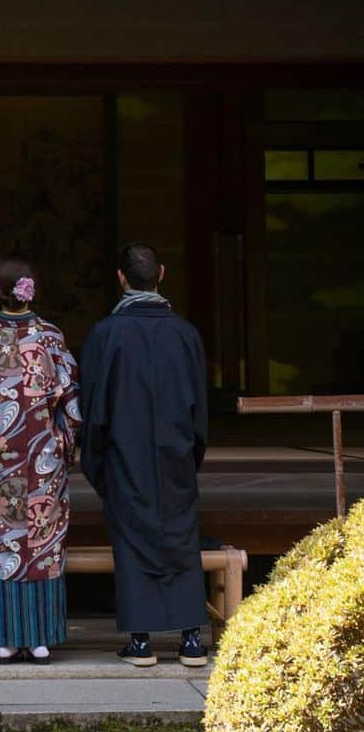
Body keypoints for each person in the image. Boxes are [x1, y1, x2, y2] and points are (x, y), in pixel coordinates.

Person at [80, 243, 209, 668]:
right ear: (162, 274)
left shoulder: (105, 335)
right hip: (176, 450)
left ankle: (140, 642)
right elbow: (200, 408)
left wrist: (96, 462)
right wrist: (192, 453)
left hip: (123, 452)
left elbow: (93, 405)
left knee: (132, 540)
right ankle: (191, 639)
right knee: (180, 536)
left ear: (121, 278)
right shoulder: (185, 334)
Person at [0, 255, 82, 665]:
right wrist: (67, 440)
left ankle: (7, 640)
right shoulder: (50, 336)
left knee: (6, 542)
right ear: (30, 290)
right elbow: (71, 400)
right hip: (44, 454)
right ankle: (42, 639)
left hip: (0, 456)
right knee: (43, 542)